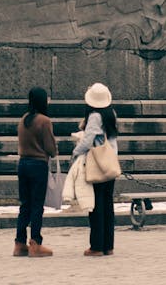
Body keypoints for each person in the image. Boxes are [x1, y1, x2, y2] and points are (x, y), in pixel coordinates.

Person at [72, 82, 118, 257]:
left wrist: (75, 153)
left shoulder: (95, 116)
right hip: (110, 162)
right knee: (107, 204)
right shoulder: (111, 114)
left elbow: (88, 140)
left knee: (96, 204)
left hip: (97, 164)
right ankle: (108, 244)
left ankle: (96, 246)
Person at [14, 87, 57, 258]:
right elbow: (50, 148)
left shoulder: (24, 119)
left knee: (25, 205)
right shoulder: (44, 121)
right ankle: (35, 243)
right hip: (38, 165)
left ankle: (19, 243)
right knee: (37, 206)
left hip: (23, 163)